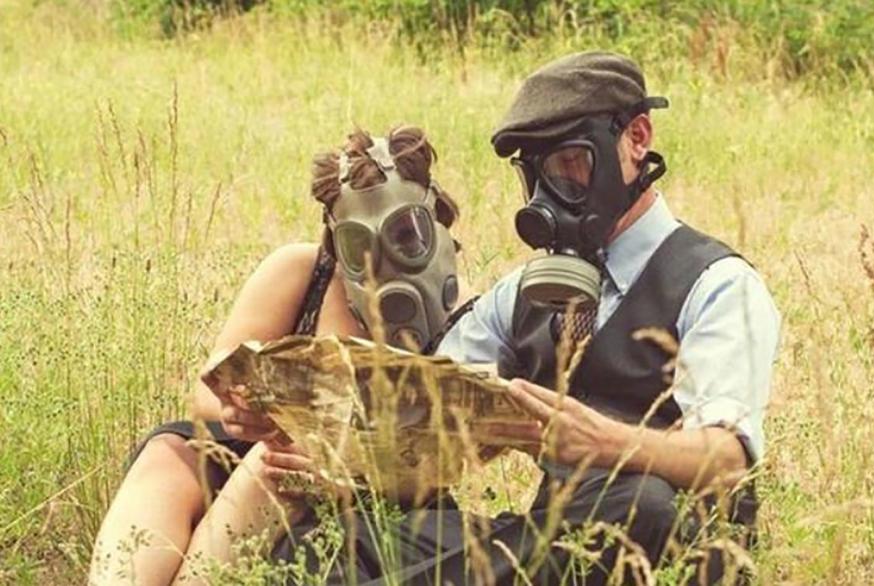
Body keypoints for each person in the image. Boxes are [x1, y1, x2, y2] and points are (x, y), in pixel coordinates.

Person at [276, 51, 781, 585]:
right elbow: (423, 405)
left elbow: (727, 459)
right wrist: (340, 462)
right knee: (323, 543)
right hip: (547, 544)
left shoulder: (716, 283)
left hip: (661, 550)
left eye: (569, 163)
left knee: (642, 506)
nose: (548, 196)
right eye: (534, 175)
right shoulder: (523, 293)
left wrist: (607, 443)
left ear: (637, 139)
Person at [88, 125, 465, 586]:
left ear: (437, 220)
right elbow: (208, 391)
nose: (381, 258)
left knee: (277, 462)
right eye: (358, 244)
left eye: (406, 234)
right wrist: (244, 407)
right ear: (335, 239)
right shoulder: (304, 272)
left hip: (382, 492)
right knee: (168, 454)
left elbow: (451, 459)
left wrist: (349, 475)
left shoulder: (467, 318)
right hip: (267, 454)